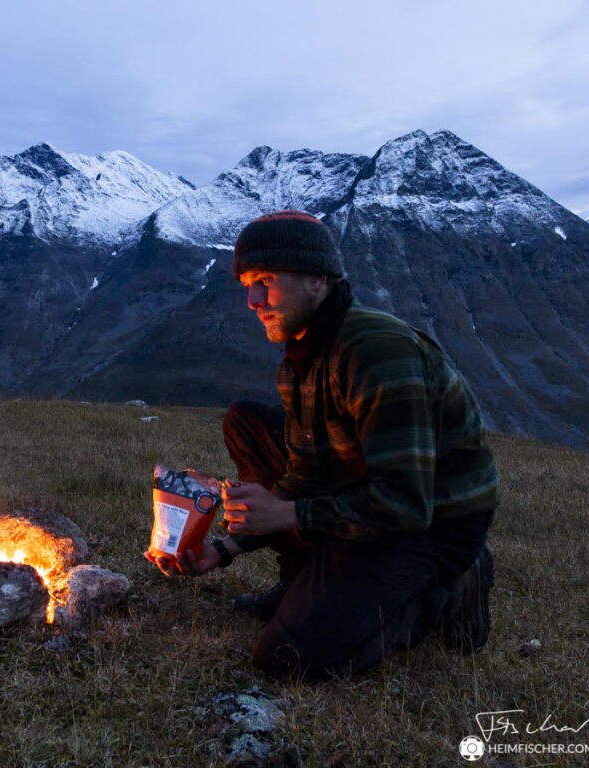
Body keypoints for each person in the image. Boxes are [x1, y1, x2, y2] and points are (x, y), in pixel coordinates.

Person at [147, 209, 498, 680]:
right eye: (246, 284)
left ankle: (445, 593)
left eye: (266, 280)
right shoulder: (302, 357)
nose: (252, 300)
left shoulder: (378, 355)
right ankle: (300, 578)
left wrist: (289, 514)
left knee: (289, 658)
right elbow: (304, 475)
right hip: (364, 492)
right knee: (245, 423)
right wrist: (225, 549)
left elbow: (405, 502)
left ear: (318, 279)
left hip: (433, 524)